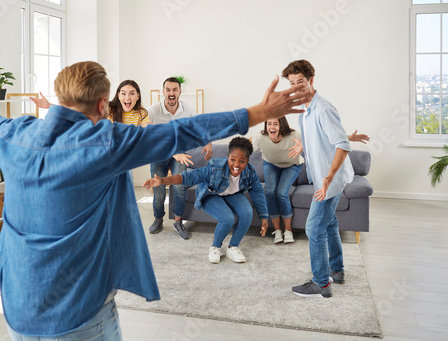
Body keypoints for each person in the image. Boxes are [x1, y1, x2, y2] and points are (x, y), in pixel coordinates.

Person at [0, 62, 309, 339]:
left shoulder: (12, 132)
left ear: (59, 97)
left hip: (17, 304)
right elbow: (180, 132)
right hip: (81, 312)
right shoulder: (108, 143)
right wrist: (255, 114)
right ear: (104, 103)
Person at [281, 59, 354, 299]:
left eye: (300, 82)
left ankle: (321, 283)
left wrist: (328, 178)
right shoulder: (305, 108)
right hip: (324, 179)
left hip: (328, 181)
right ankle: (337, 270)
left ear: (311, 80)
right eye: (291, 84)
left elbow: (341, 145)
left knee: (314, 227)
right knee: (329, 222)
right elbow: (325, 137)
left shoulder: (322, 108)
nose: (295, 88)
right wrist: (305, 144)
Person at [143, 137, 269, 264]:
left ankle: (233, 247)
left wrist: (264, 217)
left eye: (242, 161)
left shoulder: (250, 172)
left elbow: (257, 192)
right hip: (211, 194)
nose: (236, 165)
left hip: (232, 194)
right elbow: (188, 177)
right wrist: (162, 180)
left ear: (247, 161)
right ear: (228, 157)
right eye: (233, 160)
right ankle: (215, 248)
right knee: (227, 218)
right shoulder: (215, 167)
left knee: (247, 213)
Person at [146, 77, 213, 239]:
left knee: (179, 186)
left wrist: (208, 142)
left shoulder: (187, 110)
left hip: (180, 154)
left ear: (179, 92)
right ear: (163, 92)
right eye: (168, 90)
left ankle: (178, 221)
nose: (171, 93)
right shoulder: (153, 111)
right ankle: (158, 218)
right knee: (159, 190)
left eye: (174, 90)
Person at [251, 117, 304, 245]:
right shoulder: (261, 137)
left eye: (275, 124)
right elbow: (248, 144)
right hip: (271, 164)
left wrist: (303, 145)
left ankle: (288, 230)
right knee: (270, 192)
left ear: (282, 125)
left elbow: (314, 140)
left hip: (292, 165)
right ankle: (277, 231)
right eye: (269, 124)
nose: (272, 127)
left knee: (281, 192)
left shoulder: (294, 135)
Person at [30, 79, 150, 127]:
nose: (127, 97)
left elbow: (148, 131)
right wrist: (49, 105)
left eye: (132, 93)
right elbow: (78, 111)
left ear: (137, 96)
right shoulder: (107, 108)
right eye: (123, 93)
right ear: (118, 95)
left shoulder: (141, 113)